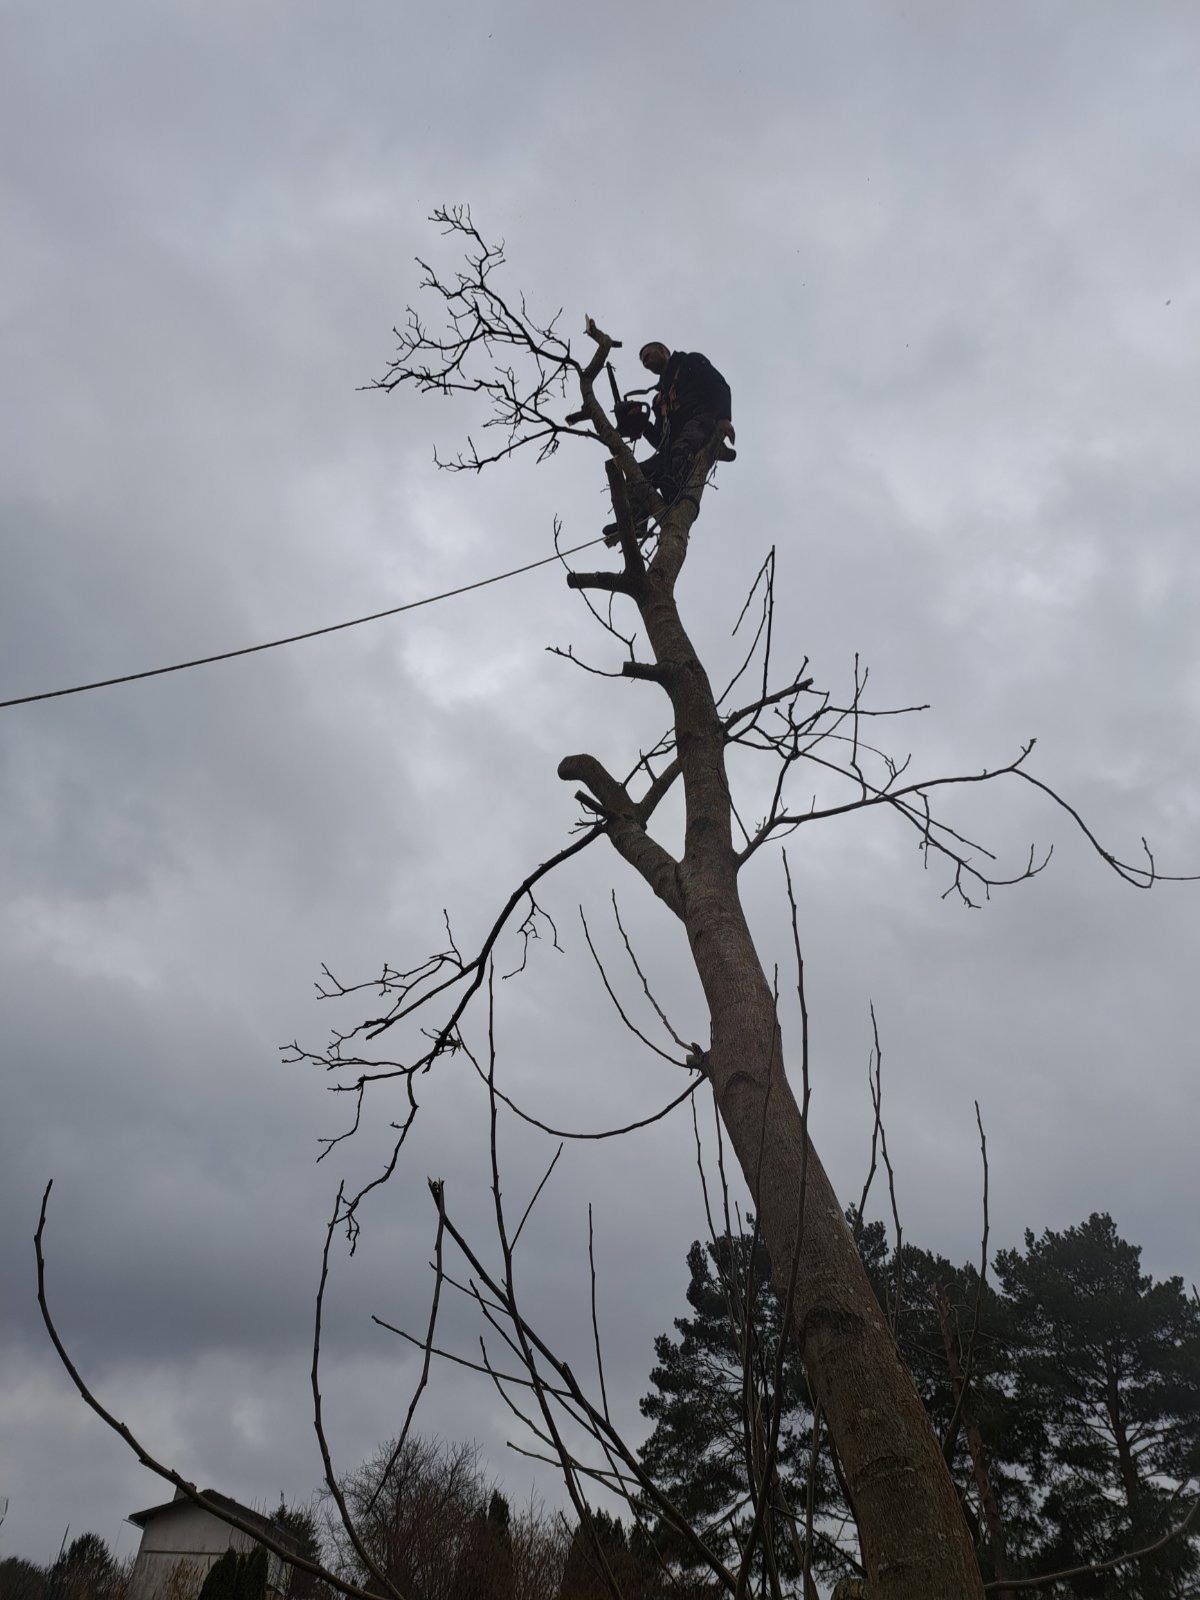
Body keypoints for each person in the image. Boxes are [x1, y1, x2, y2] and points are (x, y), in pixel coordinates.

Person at [604, 341, 734, 545]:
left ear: (662, 350)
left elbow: (718, 384)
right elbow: (660, 440)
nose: (646, 363)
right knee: (637, 474)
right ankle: (636, 521)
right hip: (674, 446)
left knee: (679, 452)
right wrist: (642, 423)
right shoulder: (660, 399)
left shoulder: (690, 362)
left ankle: (675, 494)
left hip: (702, 420)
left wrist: (724, 418)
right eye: (643, 362)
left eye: (647, 356)